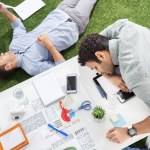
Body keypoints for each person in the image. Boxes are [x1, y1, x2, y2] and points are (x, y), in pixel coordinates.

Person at [78, 19, 150, 150]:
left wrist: (129, 131)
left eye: (95, 68)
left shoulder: (135, 76)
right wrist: (109, 75)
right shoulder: (123, 27)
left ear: (100, 55)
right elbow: (96, 40)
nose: (98, 72)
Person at [0, 0, 97, 77]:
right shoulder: (32, 67)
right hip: (75, 22)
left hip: (60, 11)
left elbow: (17, 26)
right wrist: (49, 45)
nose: (1, 54)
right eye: (0, 58)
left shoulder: (14, 45)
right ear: (8, 66)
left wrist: (3, 10)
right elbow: (61, 67)